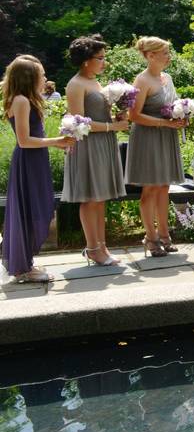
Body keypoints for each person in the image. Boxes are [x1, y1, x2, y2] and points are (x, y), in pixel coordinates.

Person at [1, 56, 74, 284]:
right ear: (28, 77)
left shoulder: (25, 99)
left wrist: (60, 142)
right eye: (41, 74)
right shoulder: (21, 100)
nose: (44, 78)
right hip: (28, 160)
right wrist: (58, 140)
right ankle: (23, 268)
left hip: (35, 159)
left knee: (34, 207)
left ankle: (25, 262)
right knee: (29, 210)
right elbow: (24, 141)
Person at [63, 34, 127, 266]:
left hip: (104, 143)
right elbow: (80, 122)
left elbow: (100, 115)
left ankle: (102, 246)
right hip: (87, 145)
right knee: (90, 198)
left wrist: (119, 115)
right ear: (85, 61)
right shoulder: (75, 84)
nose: (104, 62)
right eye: (100, 58)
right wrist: (113, 125)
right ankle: (92, 248)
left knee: (100, 199)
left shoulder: (96, 82)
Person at [126, 37, 187, 257]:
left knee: (163, 187)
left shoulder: (167, 78)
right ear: (151, 56)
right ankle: (150, 237)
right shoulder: (141, 81)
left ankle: (164, 235)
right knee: (150, 188)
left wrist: (181, 115)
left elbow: (174, 104)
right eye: (165, 52)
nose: (169, 56)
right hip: (147, 138)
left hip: (166, 136)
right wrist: (164, 122)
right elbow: (134, 115)